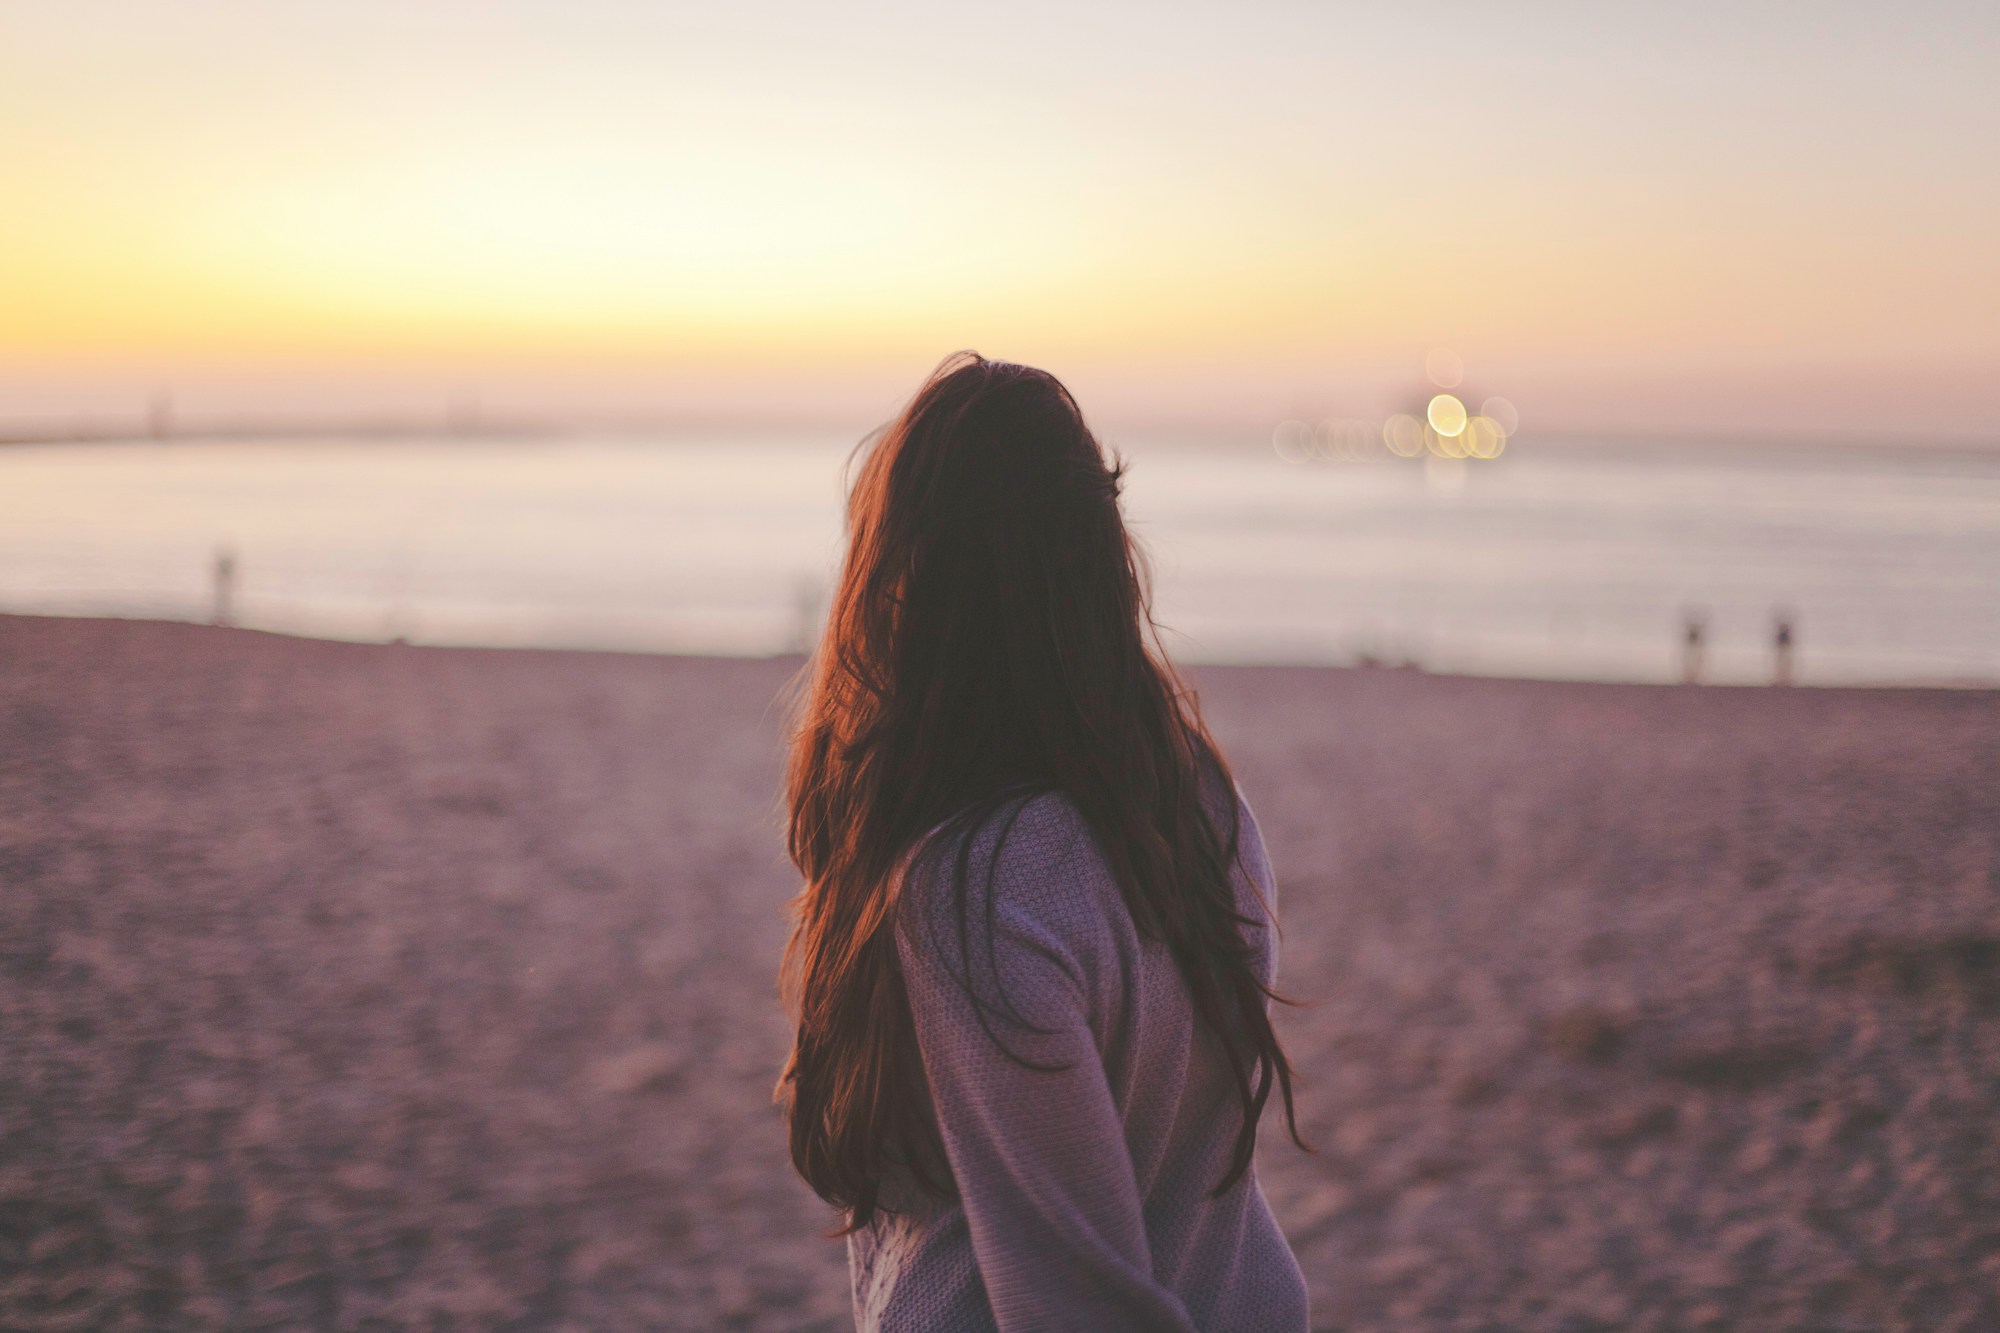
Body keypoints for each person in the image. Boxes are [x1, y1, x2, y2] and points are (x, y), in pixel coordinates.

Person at [776, 353, 1309, 1331]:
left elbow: (1075, 1304)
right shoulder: (1193, 794)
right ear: (1099, 556)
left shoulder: (969, 894)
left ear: (905, 580)